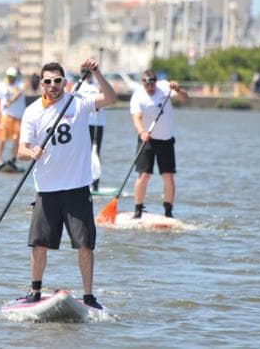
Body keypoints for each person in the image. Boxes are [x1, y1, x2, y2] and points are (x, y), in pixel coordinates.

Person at [17, 58, 117, 309]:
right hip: (47, 189)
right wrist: (32, 152)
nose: (53, 85)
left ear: (65, 82)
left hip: (77, 188)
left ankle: (88, 296)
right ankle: (35, 290)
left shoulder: (79, 102)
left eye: (58, 80)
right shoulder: (32, 111)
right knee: (39, 243)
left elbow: (111, 98)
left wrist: (96, 71)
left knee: (85, 245)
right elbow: (20, 149)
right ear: (41, 84)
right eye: (48, 81)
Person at [129, 69, 189, 219]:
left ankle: (168, 211)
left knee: (168, 176)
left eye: (153, 82)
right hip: (147, 139)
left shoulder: (164, 87)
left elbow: (185, 98)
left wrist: (178, 89)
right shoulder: (138, 96)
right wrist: (142, 132)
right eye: (147, 82)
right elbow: (136, 118)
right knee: (144, 176)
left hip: (166, 140)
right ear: (142, 82)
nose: (151, 85)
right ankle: (138, 210)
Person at [76, 75, 106, 191]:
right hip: (83, 123)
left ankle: (96, 185)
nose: (87, 74)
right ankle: (83, 184)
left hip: (98, 124)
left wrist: (101, 92)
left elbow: (107, 99)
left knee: (96, 152)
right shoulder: (78, 86)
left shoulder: (98, 85)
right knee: (83, 153)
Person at [0, 67, 26, 170]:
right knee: (1, 138)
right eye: (9, 76)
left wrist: (10, 102)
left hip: (18, 116)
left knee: (16, 139)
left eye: (13, 77)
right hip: (5, 115)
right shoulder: (1, 86)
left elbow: (17, 94)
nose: (11, 78)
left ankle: (13, 160)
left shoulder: (20, 84)